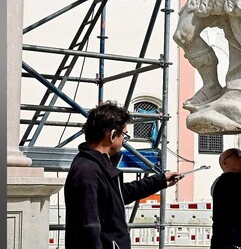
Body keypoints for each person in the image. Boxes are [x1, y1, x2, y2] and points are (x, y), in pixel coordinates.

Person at [63, 101, 183, 249]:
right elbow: (88, 228)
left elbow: (120, 194)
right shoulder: (87, 171)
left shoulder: (98, 165)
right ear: (113, 135)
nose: (123, 142)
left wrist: (160, 180)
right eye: (124, 136)